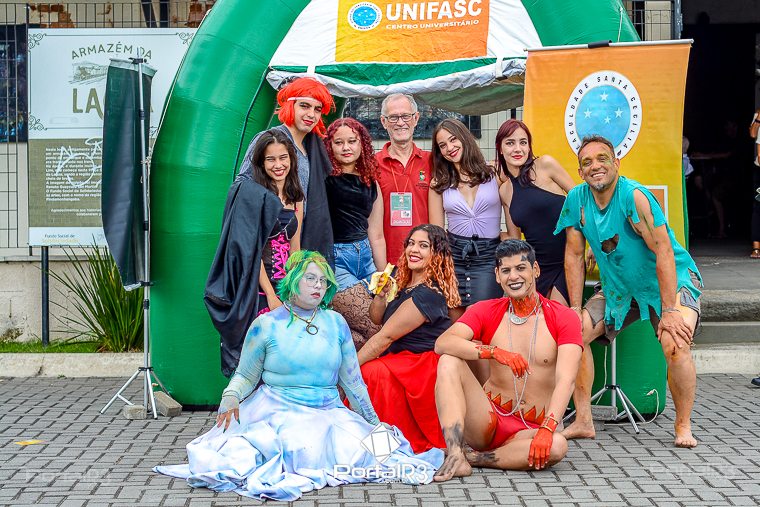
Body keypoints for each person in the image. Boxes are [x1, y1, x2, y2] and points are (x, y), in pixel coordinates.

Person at [157, 251, 443, 502]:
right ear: (292, 281)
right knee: (287, 452)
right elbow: (245, 375)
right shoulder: (266, 325)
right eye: (310, 279)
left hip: (329, 412)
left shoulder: (336, 323)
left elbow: (354, 384)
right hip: (277, 410)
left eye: (323, 281)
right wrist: (231, 395)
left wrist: (372, 424)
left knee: (384, 453)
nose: (318, 286)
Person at [555, 135, 703, 448]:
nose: (595, 166)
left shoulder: (634, 196)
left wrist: (670, 310)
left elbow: (663, 250)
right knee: (573, 334)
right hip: (619, 287)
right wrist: (574, 308)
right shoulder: (576, 200)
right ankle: (583, 421)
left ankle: (683, 426)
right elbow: (573, 255)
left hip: (672, 281)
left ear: (616, 163)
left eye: (602, 159)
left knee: (675, 343)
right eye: (587, 162)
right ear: (580, 172)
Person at [433, 239, 583, 480]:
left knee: (557, 446)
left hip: (529, 430)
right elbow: (443, 343)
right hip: (487, 420)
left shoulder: (563, 317)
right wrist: (494, 352)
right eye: (506, 270)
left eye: (521, 268)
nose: (514, 277)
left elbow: (567, 380)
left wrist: (548, 428)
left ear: (535, 270)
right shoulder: (486, 309)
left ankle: (472, 458)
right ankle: (455, 453)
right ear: (497, 275)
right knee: (449, 360)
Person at [357, 224, 460, 453]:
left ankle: (385, 445)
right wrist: (381, 296)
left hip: (420, 364)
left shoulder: (428, 293)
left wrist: (348, 369)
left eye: (423, 246)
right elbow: (376, 318)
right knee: (374, 370)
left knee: (371, 372)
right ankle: (372, 442)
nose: (414, 250)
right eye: (411, 243)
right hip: (401, 359)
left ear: (436, 254)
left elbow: (385, 337)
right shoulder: (402, 281)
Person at [239, 77, 335, 265]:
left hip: (296, 241)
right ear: (290, 106)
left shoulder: (311, 147)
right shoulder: (269, 139)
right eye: (304, 106)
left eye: (317, 109)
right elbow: (244, 185)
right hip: (269, 243)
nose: (311, 114)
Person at [496, 119, 578, 305]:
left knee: (557, 315)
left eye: (523, 142)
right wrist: (490, 235)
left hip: (567, 261)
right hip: (536, 267)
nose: (518, 149)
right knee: (532, 320)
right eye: (510, 143)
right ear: (500, 148)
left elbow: (581, 203)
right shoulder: (505, 191)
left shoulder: (545, 165)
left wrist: (595, 243)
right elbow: (515, 239)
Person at [429, 118, 504, 319]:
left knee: (479, 318)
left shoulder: (494, 173)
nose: (449, 148)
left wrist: (508, 236)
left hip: (488, 257)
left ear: (464, 138)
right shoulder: (438, 183)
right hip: (454, 256)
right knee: (456, 321)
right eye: (442, 145)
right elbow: (436, 233)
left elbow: (514, 206)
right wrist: (441, 269)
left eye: (453, 139)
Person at [324, 117, 387, 347]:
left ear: (362, 144)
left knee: (378, 326)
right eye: (339, 142)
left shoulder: (371, 183)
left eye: (352, 141)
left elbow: (377, 235)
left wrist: (384, 275)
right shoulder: (324, 180)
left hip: (366, 257)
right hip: (336, 259)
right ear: (329, 146)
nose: (346, 147)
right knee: (376, 328)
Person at [251, 130, 304, 314]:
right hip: (260, 290)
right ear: (262, 163)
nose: (278, 165)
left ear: (291, 159)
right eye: (270, 159)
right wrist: (270, 295)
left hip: (286, 288)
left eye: (283, 158)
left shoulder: (296, 197)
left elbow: (295, 248)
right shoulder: (256, 196)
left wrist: (294, 287)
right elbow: (253, 252)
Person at [376, 94, 432, 265]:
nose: (400, 123)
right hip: (387, 260)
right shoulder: (372, 164)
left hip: (424, 260)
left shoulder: (432, 161)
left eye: (406, 116)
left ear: (416, 118)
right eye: (393, 117)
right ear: (384, 121)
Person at [749, 109, 760, 259]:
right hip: (759, 168)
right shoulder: (758, 114)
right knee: (758, 206)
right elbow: (752, 134)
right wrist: (758, 119)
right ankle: (756, 247)